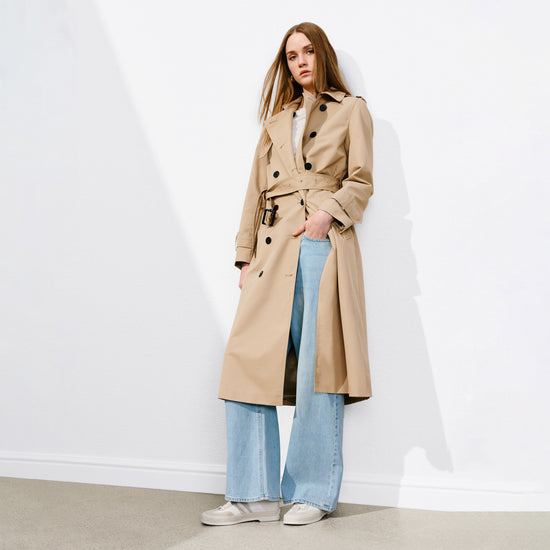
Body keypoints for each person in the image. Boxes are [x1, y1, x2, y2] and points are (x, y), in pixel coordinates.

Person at [201, 21, 374, 526]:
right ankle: (252, 495)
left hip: (321, 242)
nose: (300, 62)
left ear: (323, 55)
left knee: (319, 364)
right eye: (292, 55)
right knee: (245, 361)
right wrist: (244, 256)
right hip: (270, 246)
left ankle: (313, 493)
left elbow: (362, 180)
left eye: (308, 52)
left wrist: (326, 216)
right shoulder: (275, 122)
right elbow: (254, 193)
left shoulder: (351, 110)